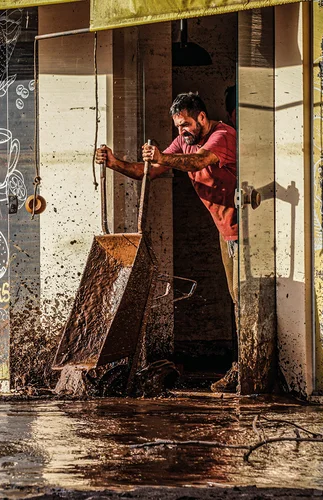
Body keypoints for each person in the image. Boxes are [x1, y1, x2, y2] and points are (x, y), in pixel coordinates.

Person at [95, 92, 241, 393]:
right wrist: (114, 163)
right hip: (225, 229)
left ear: (202, 117)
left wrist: (164, 156)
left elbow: (197, 161)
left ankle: (245, 368)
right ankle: (242, 366)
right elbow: (148, 172)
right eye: (177, 127)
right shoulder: (184, 142)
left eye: (186, 124)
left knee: (243, 299)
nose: (181, 132)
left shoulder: (223, 135)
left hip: (247, 230)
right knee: (236, 297)